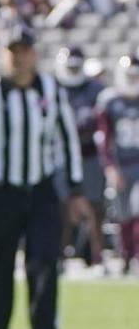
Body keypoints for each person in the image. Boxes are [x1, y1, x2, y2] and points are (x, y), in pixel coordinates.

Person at [0, 23, 89, 329]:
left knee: (45, 268)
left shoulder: (51, 90)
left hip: (42, 190)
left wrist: (75, 191)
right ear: (5, 55)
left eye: (25, 51)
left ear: (34, 53)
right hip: (0, 192)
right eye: (13, 52)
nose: (19, 59)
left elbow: (67, 141)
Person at [54, 46, 106, 266]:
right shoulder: (53, 87)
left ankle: (97, 256)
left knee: (95, 207)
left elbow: (97, 121)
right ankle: (59, 255)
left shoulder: (95, 89)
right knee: (60, 207)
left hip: (88, 154)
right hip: (61, 155)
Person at [97, 54, 139, 273]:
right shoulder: (110, 101)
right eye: (129, 76)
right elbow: (104, 138)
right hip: (121, 164)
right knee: (122, 214)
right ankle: (126, 255)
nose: (132, 80)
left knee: (138, 208)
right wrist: (110, 167)